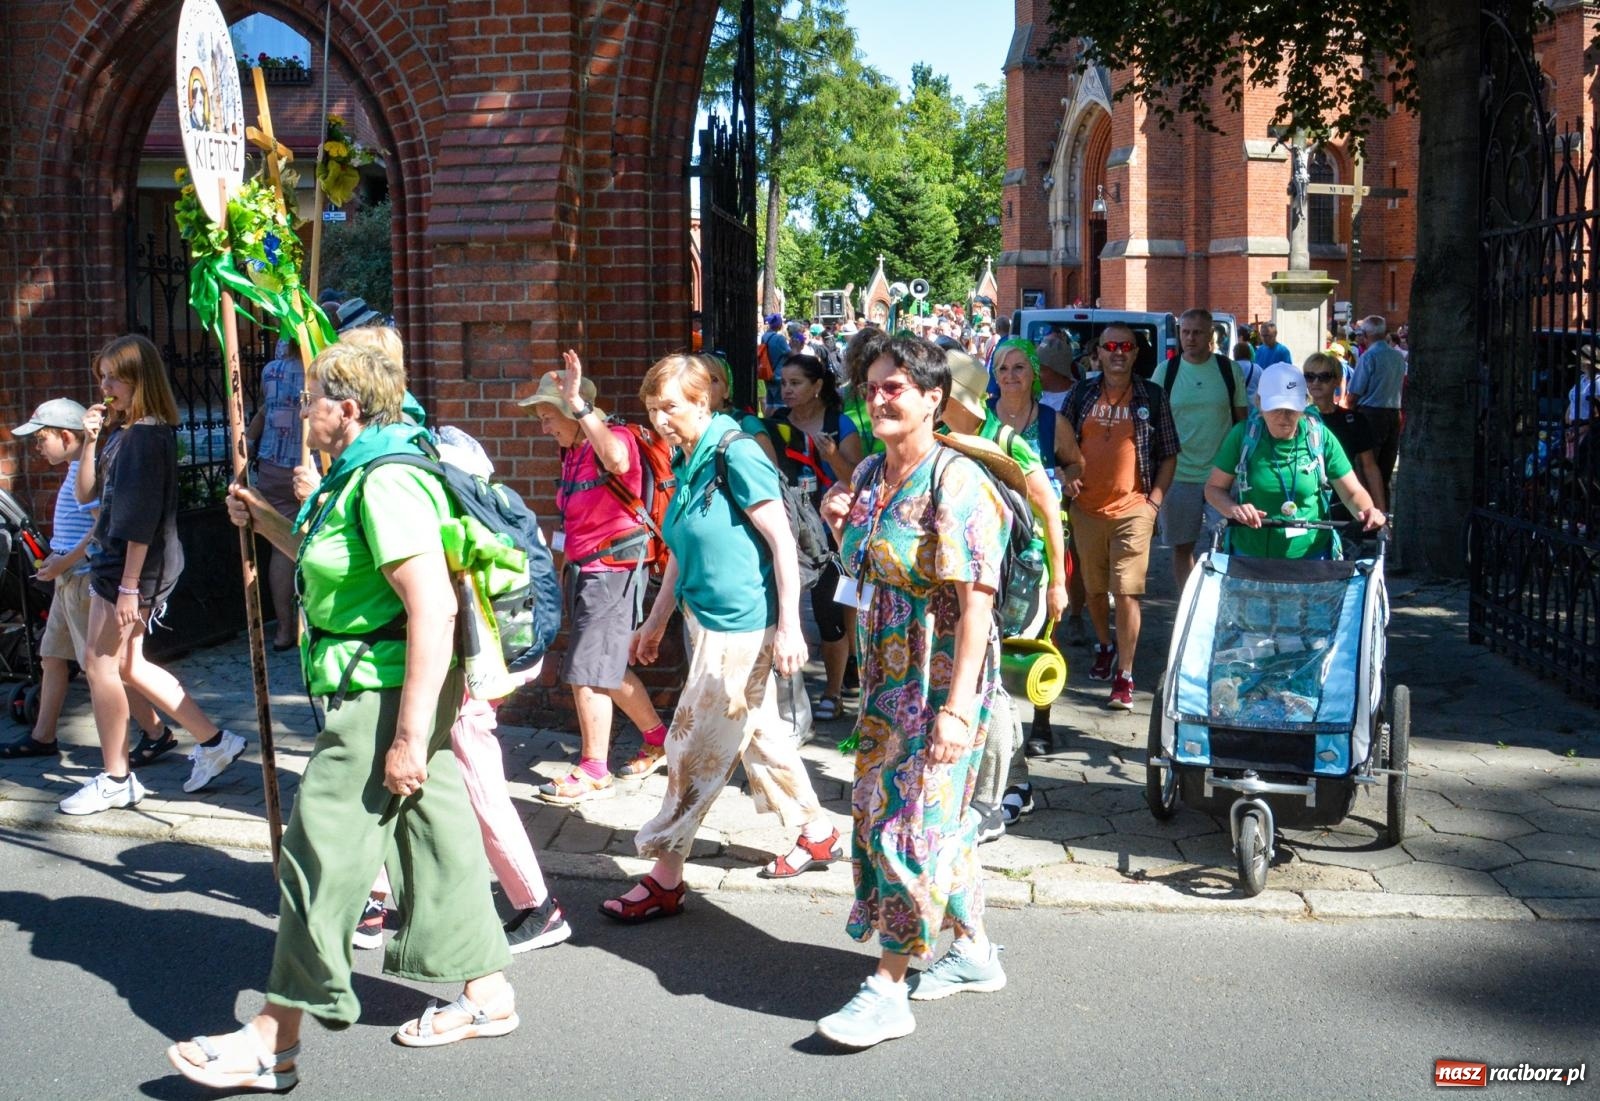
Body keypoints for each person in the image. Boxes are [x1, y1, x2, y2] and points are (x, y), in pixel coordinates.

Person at [170, 343, 517, 1092]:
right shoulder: (361, 474)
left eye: (311, 399)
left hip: (381, 696)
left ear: (348, 409)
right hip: (390, 687)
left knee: (318, 856)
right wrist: (266, 523)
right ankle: (488, 993)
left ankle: (272, 1038)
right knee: (437, 839)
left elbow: (433, 607)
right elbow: (344, 567)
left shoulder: (387, 480)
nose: (300, 412)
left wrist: (403, 737)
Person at [813, 335, 1007, 1050]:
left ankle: (889, 985)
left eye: (895, 387)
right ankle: (976, 952)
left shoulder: (953, 480)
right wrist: (842, 524)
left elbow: (977, 602)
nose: (879, 397)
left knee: (907, 825)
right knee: (913, 820)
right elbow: (861, 574)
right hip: (886, 680)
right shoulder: (870, 471)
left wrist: (957, 709)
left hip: (939, 681)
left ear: (934, 399)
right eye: (872, 387)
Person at [612, 354, 838, 920]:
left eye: (671, 407)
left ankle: (665, 874)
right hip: (705, 618)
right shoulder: (690, 457)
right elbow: (687, 553)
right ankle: (817, 831)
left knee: (690, 747)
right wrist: (657, 620)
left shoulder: (737, 453)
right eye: (653, 409)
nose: (661, 419)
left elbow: (782, 542)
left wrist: (790, 625)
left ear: (702, 401)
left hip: (742, 625)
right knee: (758, 733)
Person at [64, 335, 244, 815]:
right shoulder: (126, 432)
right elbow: (86, 496)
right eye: (101, 375)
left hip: (129, 567)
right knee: (126, 666)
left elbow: (141, 520)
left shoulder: (146, 435)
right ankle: (214, 741)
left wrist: (127, 588)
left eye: (114, 377)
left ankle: (116, 778)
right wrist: (90, 440)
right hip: (122, 564)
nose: (105, 386)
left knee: (99, 664)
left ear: (139, 380)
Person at [520, 353, 669, 802]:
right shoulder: (572, 453)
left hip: (611, 570)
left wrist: (580, 409)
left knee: (586, 671)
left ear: (572, 411)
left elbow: (620, 462)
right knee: (605, 667)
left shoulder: (610, 437)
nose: (544, 426)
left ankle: (593, 770)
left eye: (549, 416)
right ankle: (659, 740)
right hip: (589, 570)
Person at [0, 400, 168, 761]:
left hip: (82, 581)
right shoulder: (76, 470)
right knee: (52, 657)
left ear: (65, 436)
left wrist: (65, 563)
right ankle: (43, 735)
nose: (37, 447)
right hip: (67, 582)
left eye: (41, 439)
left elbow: (100, 529)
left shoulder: (87, 473)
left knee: (105, 667)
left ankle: (155, 731)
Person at [940, 352, 1062, 831]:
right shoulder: (942, 440)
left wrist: (1058, 582)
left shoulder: (1006, 441)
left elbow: (1049, 511)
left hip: (1018, 577)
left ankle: (1015, 784)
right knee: (981, 681)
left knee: (997, 684)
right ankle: (989, 782)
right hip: (970, 578)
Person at [1061, 323, 1180, 711]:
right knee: (1095, 589)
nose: (1117, 352)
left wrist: (1154, 502)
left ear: (1134, 353)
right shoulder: (1080, 393)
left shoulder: (1153, 396)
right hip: (1087, 509)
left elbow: (1168, 453)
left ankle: (1125, 676)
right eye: (1110, 345)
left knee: (1127, 590)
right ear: (1098, 352)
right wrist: (1064, 477)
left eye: (1125, 346)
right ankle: (1105, 645)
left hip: (1134, 509)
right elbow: (1059, 445)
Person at [1204, 362, 1387, 558]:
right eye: (1275, 408)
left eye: (1291, 409)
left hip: (1312, 556)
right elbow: (1213, 489)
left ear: (1304, 405)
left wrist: (1367, 510)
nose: (1283, 417)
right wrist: (1234, 509)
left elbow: (1352, 492)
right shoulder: (1243, 435)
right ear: (1259, 404)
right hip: (1250, 555)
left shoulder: (1319, 437)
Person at [769, 351, 864, 719]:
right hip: (787, 529)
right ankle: (784, 686)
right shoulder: (775, 422)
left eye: (795, 383)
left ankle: (834, 690)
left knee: (830, 612)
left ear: (817, 386)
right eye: (783, 383)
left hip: (828, 534)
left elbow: (856, 481)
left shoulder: (840, 425)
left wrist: (832, 454)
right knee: (782, 609)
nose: (787, 390)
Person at [1160, 308, 1247, 594]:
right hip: (1179, 475)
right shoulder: (1167, 371)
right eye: (1185, 332)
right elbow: (1152, 421)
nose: (1190, 338)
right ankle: (1189, 601)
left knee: (1224, 544)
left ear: (1211, 335)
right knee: (1181, 545)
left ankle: (1221, 599)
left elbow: (1242, 422)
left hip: (1221, 478)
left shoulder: (1228, 370)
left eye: (1197, 332)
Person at [245, 338, 306, 651]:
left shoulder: (272, 371)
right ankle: (311, 627)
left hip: (273, 465)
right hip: (309, 466)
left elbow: (265, 410)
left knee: (282, 549)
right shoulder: (319, 369)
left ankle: (284, 630)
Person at [1302, 352, 1389, 523]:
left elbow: (1369, 467)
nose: (1316, 382)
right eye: (1310, 377)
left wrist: (1381, 512)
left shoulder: (1353, 420)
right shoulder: (1297, 420)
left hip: (1346, 502)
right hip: (1308, 502)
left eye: (1324, 377)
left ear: (1336, 380)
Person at [1346, 314, 1407, 502]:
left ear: (1365, 335)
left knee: (1366, 468)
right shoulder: (1398, 357)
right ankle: (1384, 511)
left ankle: (1367, 512)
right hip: (1393, 415)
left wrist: (1351, 412)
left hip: (1371, 415)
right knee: (1385, 469)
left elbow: (1355, 393)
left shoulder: (1368, 357)